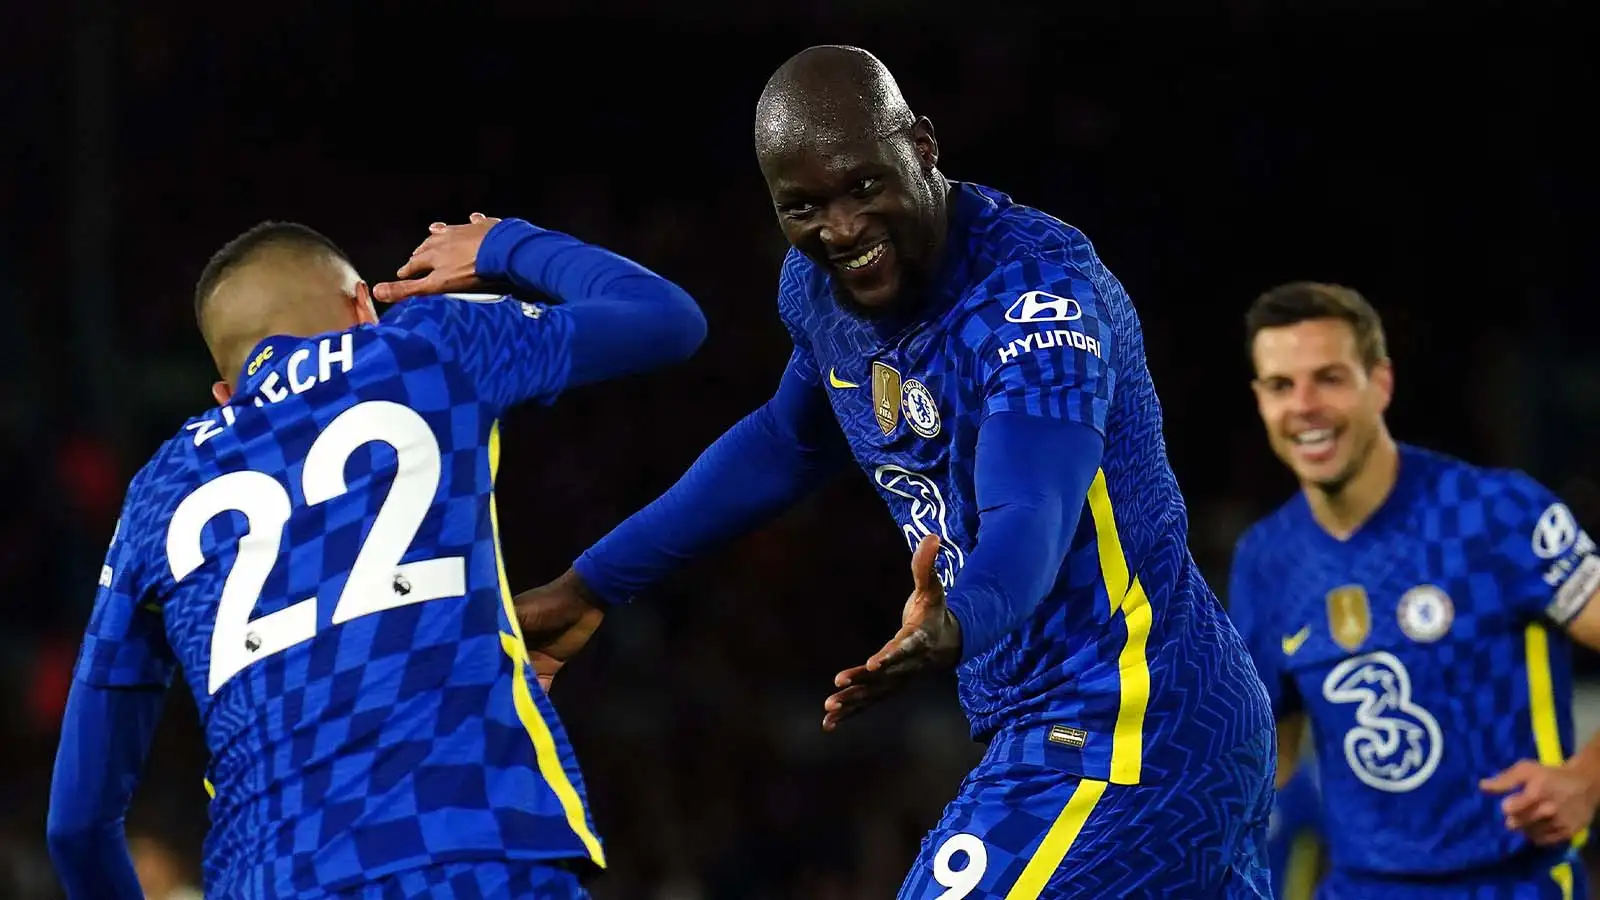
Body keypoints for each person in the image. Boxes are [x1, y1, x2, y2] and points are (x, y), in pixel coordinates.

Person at [514, 45, 1276, 898]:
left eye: (864, 187)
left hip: (1127, 723)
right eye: (802, 207)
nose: (839, 230)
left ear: (922, 145)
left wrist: (958, 620)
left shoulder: (1037, 299)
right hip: (1136, 723)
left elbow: (1033, 509)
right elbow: (785, 442)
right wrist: (592, 585)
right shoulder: (816, 292)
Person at [44, 213, 707, 899]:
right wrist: (507, 243)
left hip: (269, 877)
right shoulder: (424, 347)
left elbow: (77, 826)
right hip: (475, 853)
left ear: (224, 391)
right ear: (365, 306)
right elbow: (666, 320)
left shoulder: (156, 493)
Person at [1228, 281, 1600, 898]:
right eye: (1281, 386)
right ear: (1260, 400)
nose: (1305, 406)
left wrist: (1587, 780)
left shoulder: (1497, 513)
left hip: (1511, 885)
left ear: (1381, 383)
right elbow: (1267, 761)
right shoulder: (1265, 559)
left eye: (1330, 378)